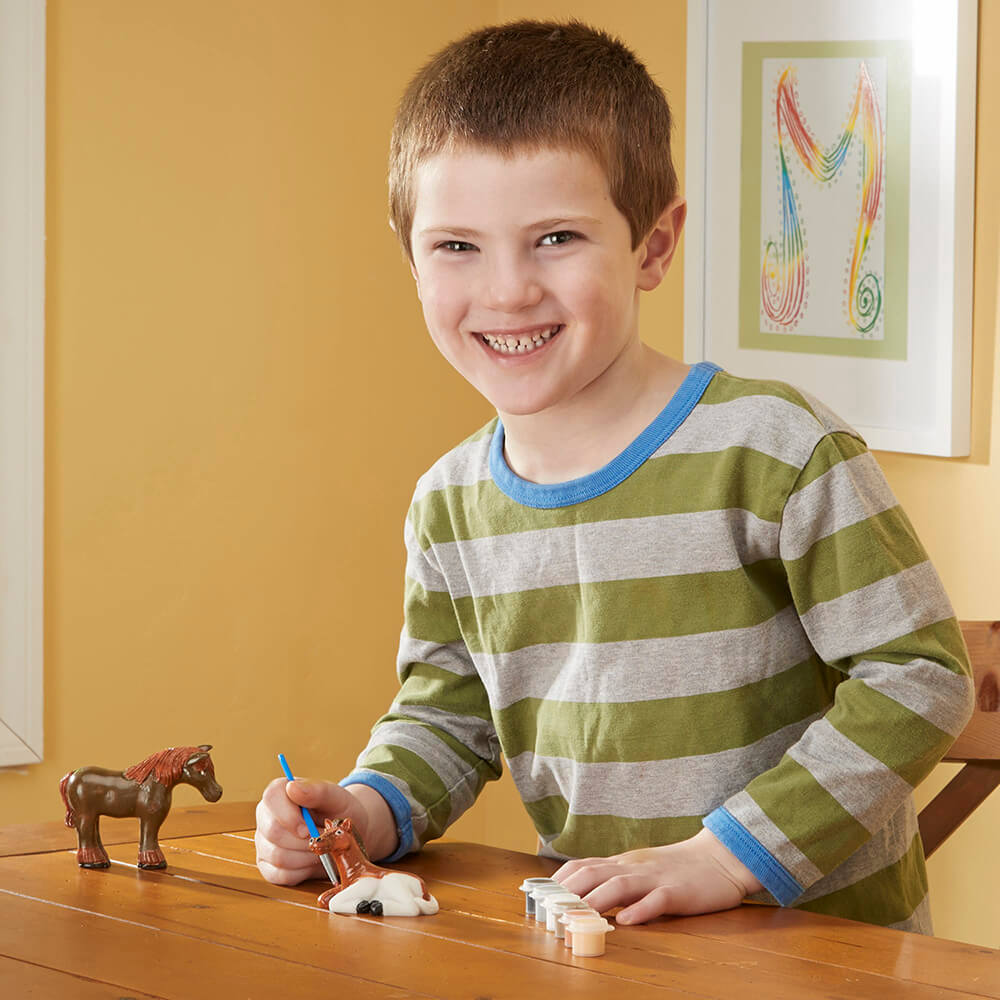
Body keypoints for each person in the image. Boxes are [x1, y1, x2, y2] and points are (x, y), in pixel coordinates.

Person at [255, 19, 974, 932]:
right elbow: (450, 712)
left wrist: (726, 858)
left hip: (821, 957)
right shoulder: (449, 503)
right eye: (456, 246)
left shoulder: (775, 448)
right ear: (410, 260)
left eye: (555, 238)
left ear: (653, 246)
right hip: (608, 945)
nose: (508, 290)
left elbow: (920, 676)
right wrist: (366, 810)